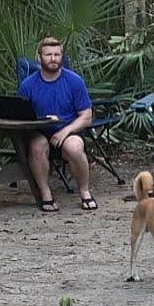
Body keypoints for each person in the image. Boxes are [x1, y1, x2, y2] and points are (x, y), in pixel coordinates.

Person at [19, 36, 97, 212]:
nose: (53, 58)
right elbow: (21, 116)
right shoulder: (27, 85)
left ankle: (84, 191)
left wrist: (65, 131)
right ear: (39, 57)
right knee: (37, 146)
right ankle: (45, 193)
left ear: (62, 56)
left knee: (74, 147)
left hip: (69, 131)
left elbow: (86, 117)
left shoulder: (74, 81)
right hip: (39, 132)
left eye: (57, 54)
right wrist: (42, 121)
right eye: (48, 55)